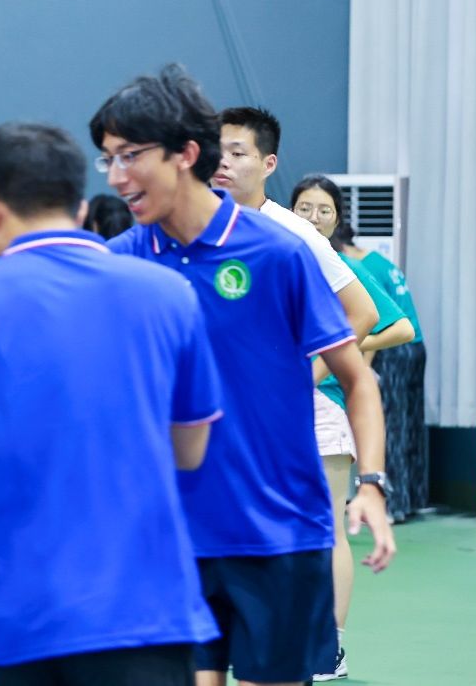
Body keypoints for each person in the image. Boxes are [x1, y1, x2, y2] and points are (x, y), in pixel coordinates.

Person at [91, 65, 395, 686]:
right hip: (170, 537)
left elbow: (358, 379)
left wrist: (370, 484)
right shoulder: (119, 266)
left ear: (185, 155)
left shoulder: (278, 252)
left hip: (276, 535)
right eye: (108, 159)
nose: (116, 176)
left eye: (130, 156)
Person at [0, 122, 221, 686]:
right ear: (81, 206)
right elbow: (190, 450)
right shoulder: (169, 295)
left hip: (23, 614)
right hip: (148, 609)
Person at [289, 173, 414, 679]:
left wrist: (345, 349)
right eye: (304, 208)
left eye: (324, 210)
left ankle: (331, 646)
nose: (313, 217)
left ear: (338, 218)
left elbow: (400, 326)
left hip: (329, 410)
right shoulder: (281, 258)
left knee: (329, 528)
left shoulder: (347, 268)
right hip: (279, 414)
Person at [332, 220, 429, 520]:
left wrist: (362, 368)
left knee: (392, 427)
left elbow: (372, 321)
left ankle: (392, 504)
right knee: (409, 426)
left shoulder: (358, 267)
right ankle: (410, 499)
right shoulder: (378, 261)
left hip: (394, 348)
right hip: (415, 347)